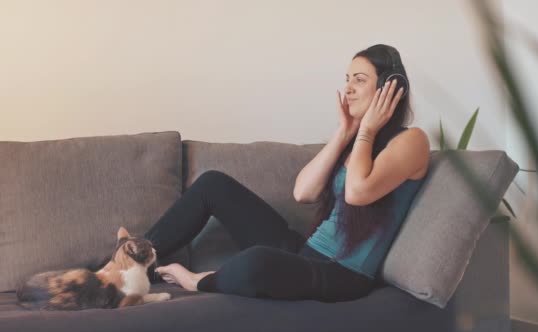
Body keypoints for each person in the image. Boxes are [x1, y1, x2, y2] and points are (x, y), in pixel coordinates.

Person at [146, 43, 430, 303]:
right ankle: (133, 262)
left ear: (389, 87)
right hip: (305, 254)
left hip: (342, 274)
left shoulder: (411, 140)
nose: (349, 89)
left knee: (255, 263)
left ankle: (198, 281)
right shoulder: (356, 143)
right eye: (347, 79)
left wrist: (368, 129)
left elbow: (357, 193)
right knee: (212, 184)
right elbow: (303, 192)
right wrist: (344, 133)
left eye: (359, 79)